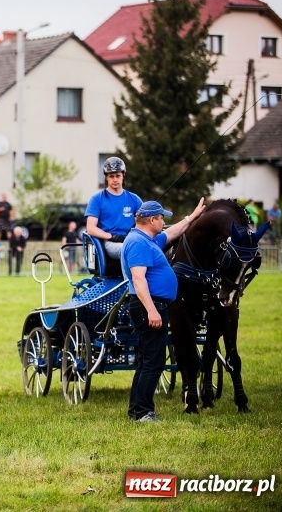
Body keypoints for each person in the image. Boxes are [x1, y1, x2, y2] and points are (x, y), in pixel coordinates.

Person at [122, 198, 205, 423]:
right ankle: (144, 413)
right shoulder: (139, 243)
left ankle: (136, 410)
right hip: (150, 306)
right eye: (161, 218)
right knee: (153, 361)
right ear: (151, 220)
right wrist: (151, 310)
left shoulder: (147, 239)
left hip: (155, 304)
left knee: (146, 360)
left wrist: (192, 216)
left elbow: (172, 233)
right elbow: (139, 280)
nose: (164, 222)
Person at [85, 156, 143, 259]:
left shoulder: (134, 199)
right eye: (111, 176)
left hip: (131, 240)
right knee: (133, 249)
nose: (115, 179)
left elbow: (145, 222)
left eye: (118, 176)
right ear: (106, 177)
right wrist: (112, 236)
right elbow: (90, 228)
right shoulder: (97, 199)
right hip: (110, 243)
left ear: (123, 176)